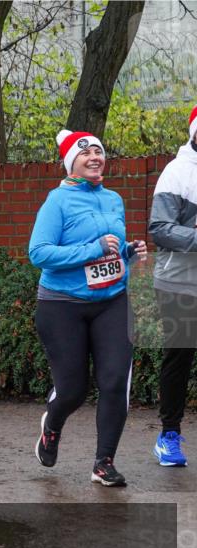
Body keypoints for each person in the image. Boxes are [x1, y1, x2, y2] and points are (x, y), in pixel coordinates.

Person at [29, 129, 148, 487]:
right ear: (71, 163)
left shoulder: (113, 199)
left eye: (99, 151)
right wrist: (93, 250)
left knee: (114, 382)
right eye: (86, 153)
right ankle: (52, 424)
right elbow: (39, 253)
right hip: (62, 306)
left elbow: (112, 246)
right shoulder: (57, 201)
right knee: (73, 391)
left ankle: (103, 463)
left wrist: (127, 251)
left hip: (112, 301)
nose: (95, 157)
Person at [149, 105, 197, 467]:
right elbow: (161, 229)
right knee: (179, 356)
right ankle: (168, 436)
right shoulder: (177, 172)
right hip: (179, 284)